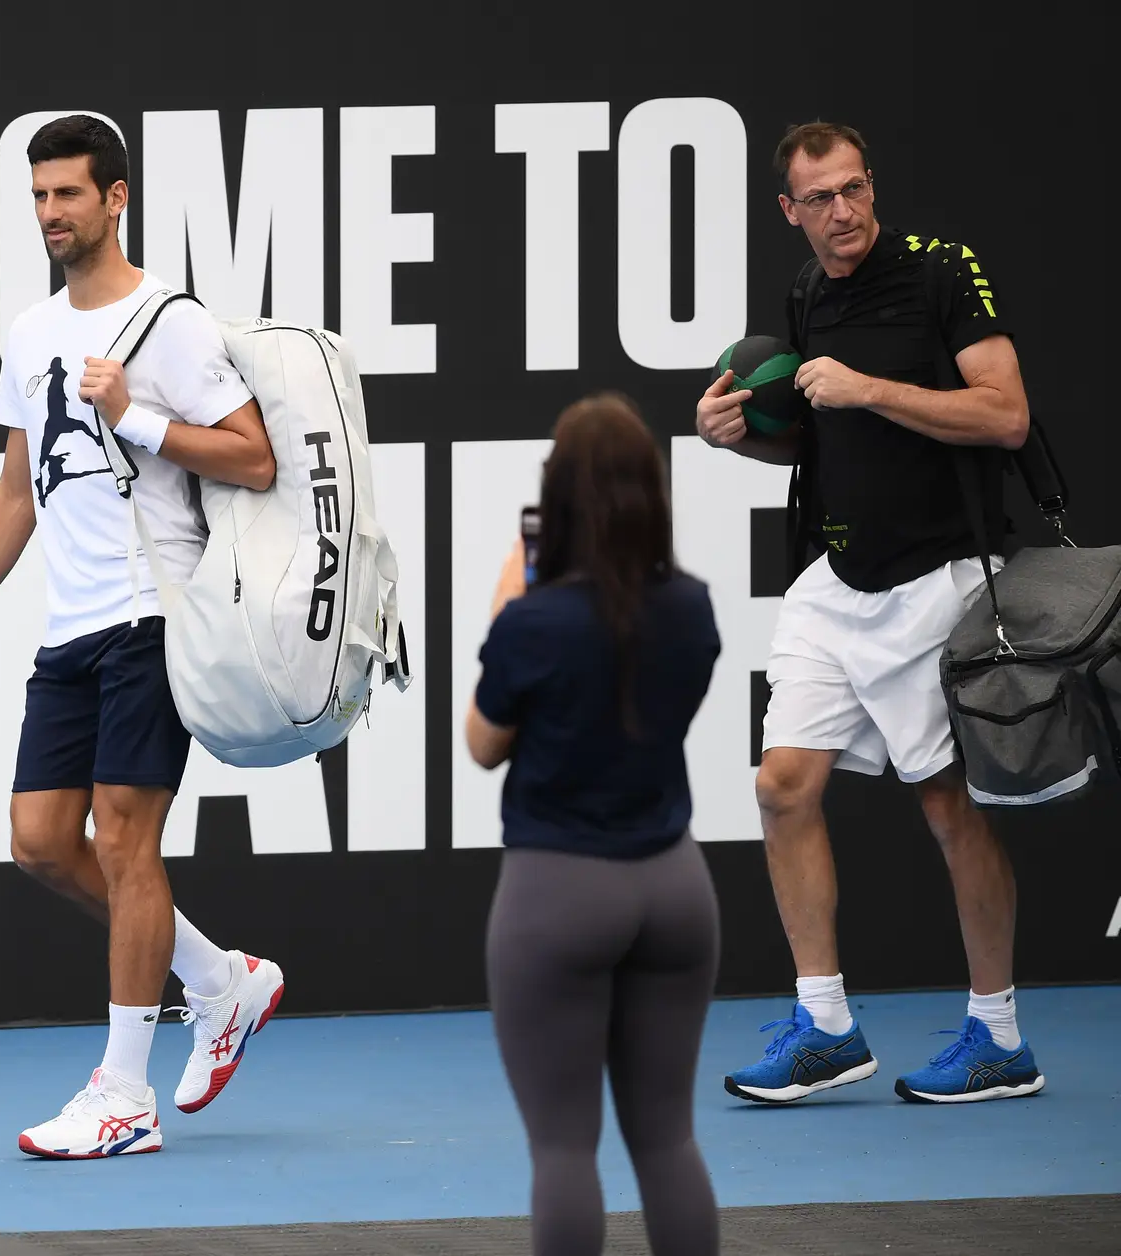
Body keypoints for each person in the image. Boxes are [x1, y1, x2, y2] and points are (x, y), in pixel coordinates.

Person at [0, 115, 286, 1159]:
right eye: (38, 196)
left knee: (124, 839)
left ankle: (124, 1092)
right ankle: (219, 979)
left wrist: (142, 420)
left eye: (69, 193)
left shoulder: (175, 323)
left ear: (117, 198)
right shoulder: (30, 332)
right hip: (70, 630)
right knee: (38, 842)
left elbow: (254, 458)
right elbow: (17, 491)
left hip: (157, 615)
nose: (51, 213)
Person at [695, 120, 1045, 1104]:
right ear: (790, 211)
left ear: (870, 186)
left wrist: (869, 388)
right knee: (781, 785)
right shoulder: (807, 294)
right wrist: (737, 435)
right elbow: (819, 437)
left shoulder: (942, 271)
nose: (844, 212)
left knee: (946, 806)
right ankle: (827, 1023)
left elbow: (1005, 414)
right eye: (822, 198)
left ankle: (1000, 1033)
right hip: (837, 578)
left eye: (855, 189)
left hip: (939, 577)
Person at [468, 393, 724, 1256]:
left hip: (558, 890)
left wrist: (510, 607)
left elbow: (482, 743)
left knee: (564, 1148)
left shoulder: (535, 623)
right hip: (676, 887)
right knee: (667, 1138)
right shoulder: (692, 609)